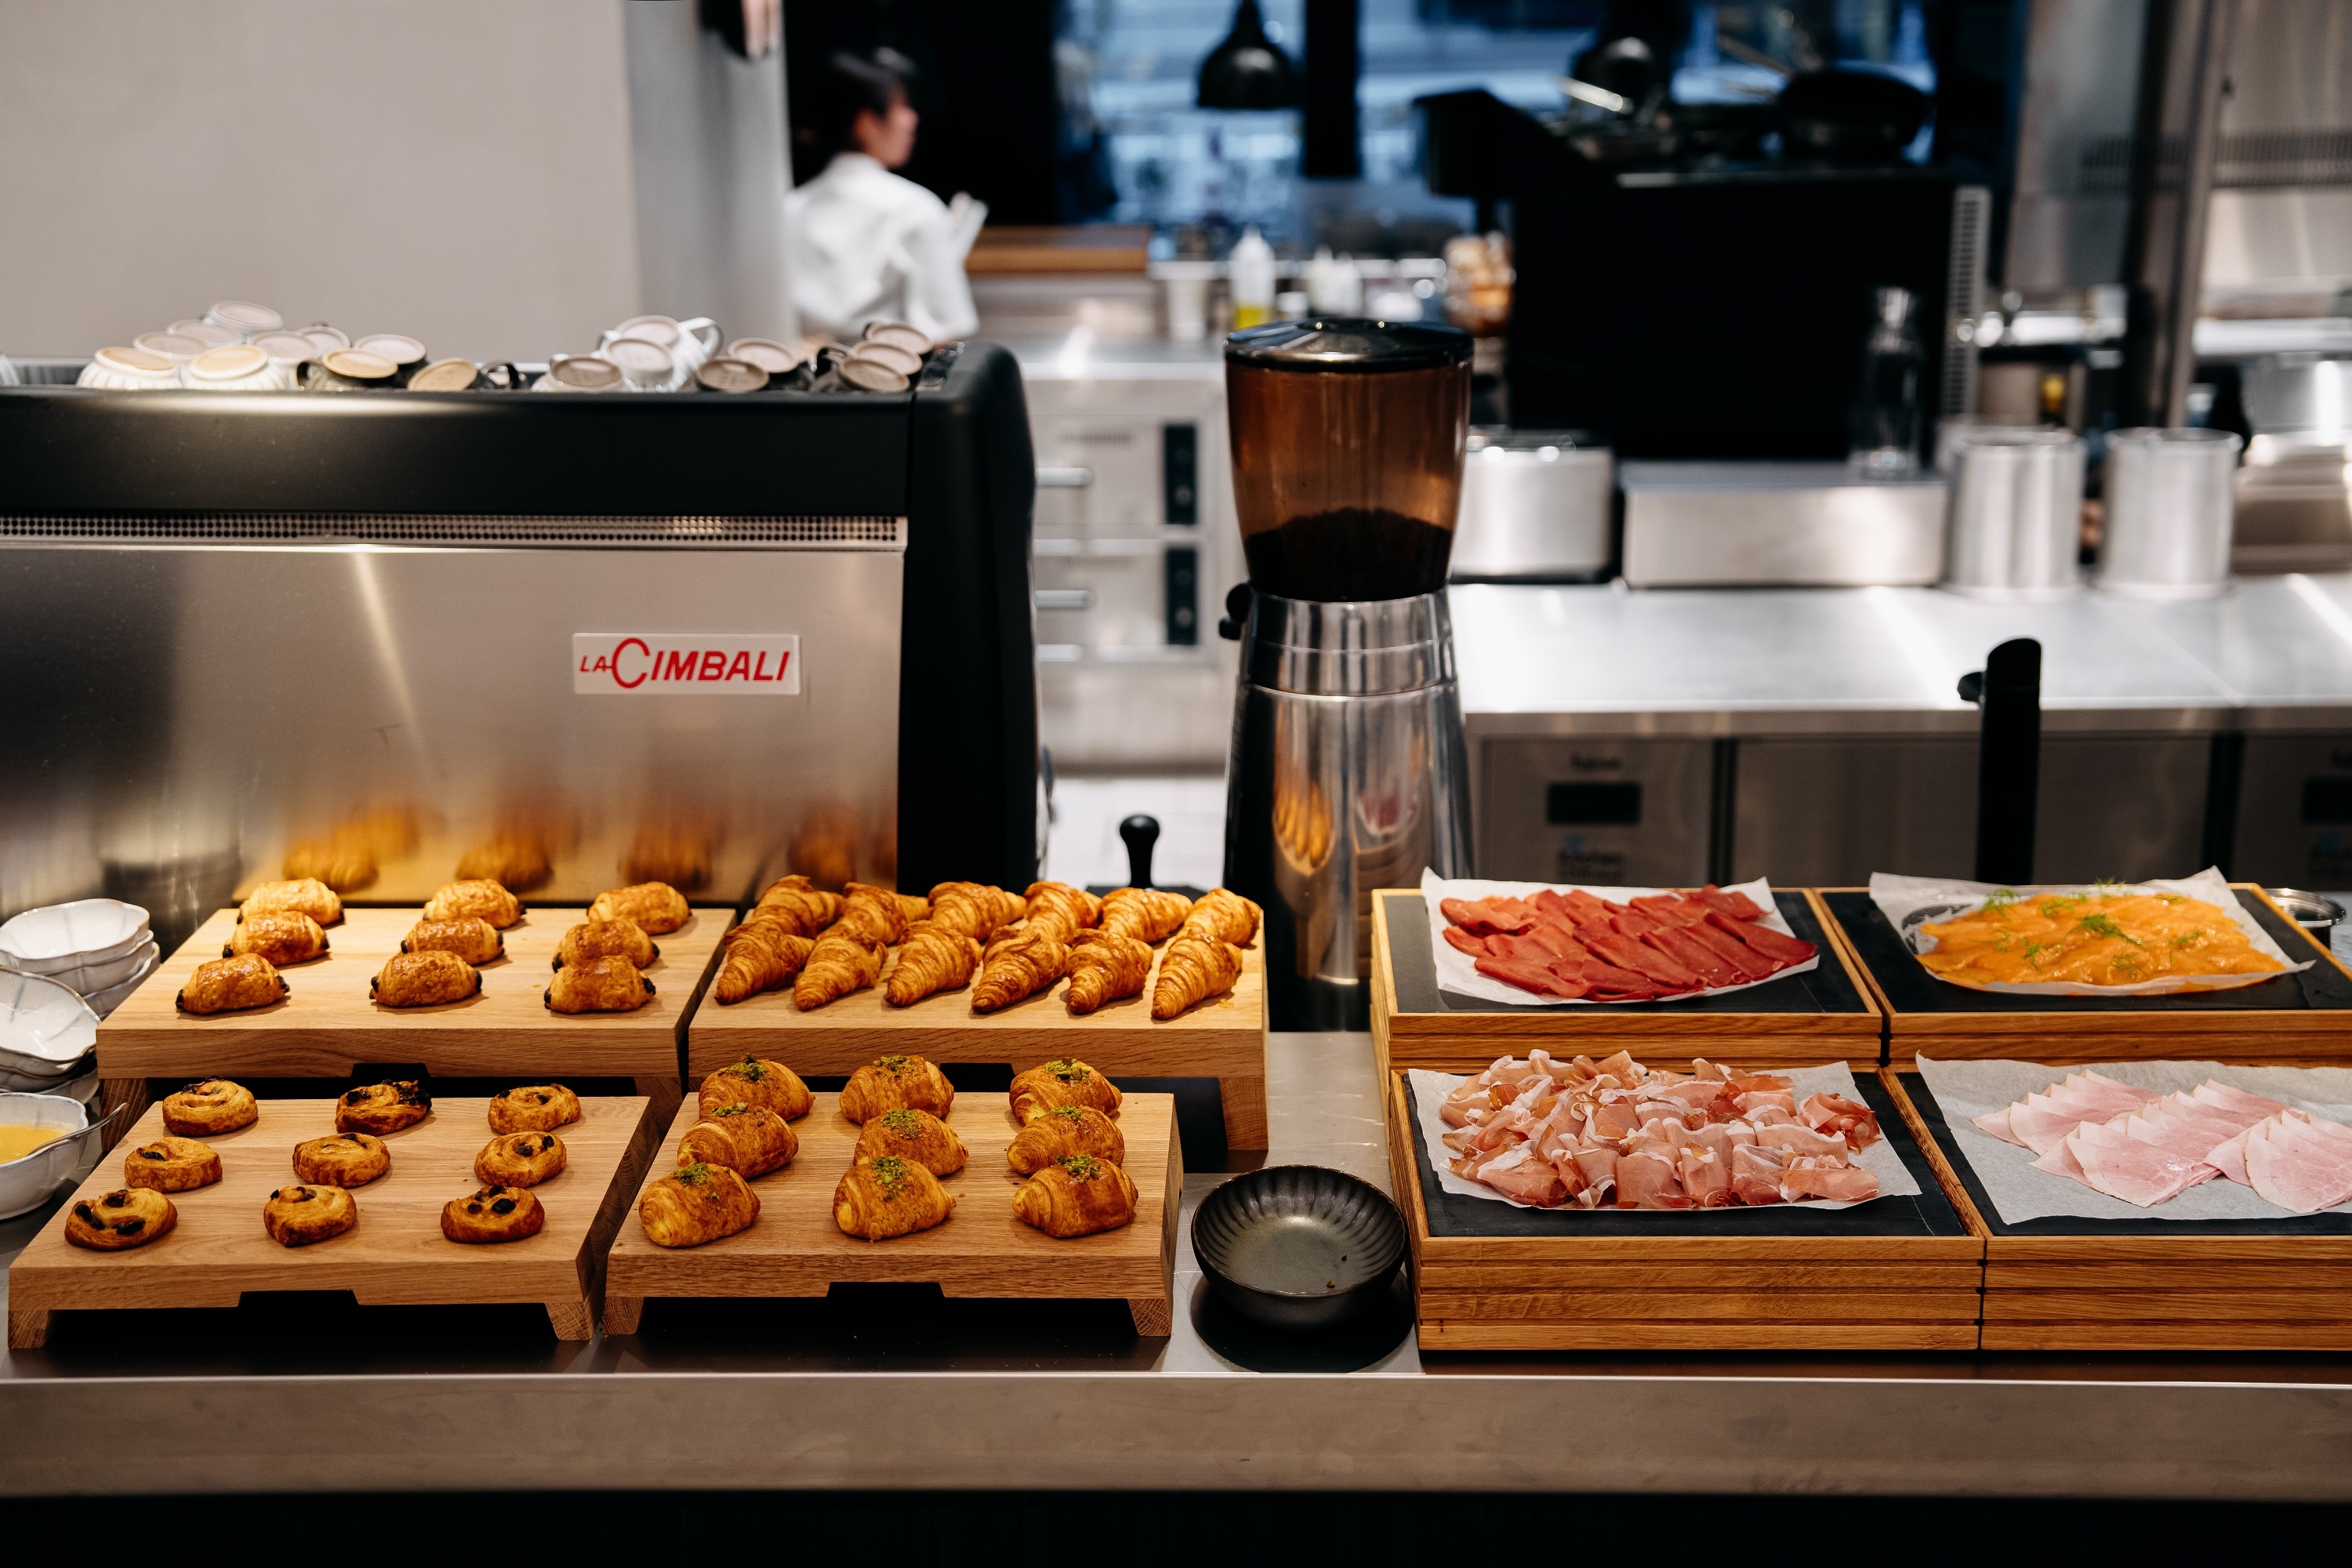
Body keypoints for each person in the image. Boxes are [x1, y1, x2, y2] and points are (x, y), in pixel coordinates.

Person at [785, 49, 982, 344]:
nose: (912, 119)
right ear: (866, 123)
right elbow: (951, 325)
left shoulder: (789, 208)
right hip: (894, 380)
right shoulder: (915, 207)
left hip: (803, 378)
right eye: (902, 106)